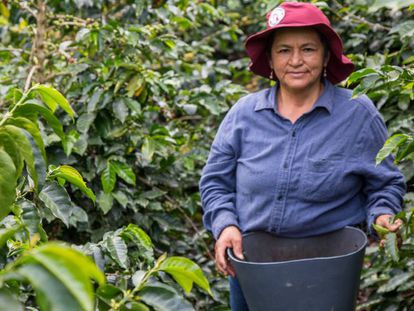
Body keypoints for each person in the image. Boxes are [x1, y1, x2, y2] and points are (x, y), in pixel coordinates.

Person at [199, 2, 406, 310]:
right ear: (270, 58)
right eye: (284, 50)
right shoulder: (244, 115)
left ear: (325, 56)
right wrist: (225, 225)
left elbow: (384, 183)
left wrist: (382, 215)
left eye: (308, 49)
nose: (296, 61)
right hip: (254, 268)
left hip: (327, 272)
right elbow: (216, 182)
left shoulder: (357, 114)